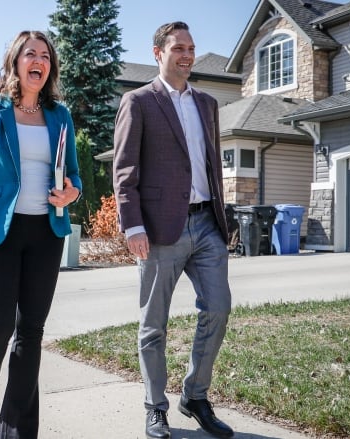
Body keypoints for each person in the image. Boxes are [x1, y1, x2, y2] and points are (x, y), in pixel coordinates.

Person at [0, 30, 82, 439]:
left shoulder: (59, 115)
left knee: (32, 331)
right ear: (15, 61)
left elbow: (75, 177)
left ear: (51, 67)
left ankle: (15, 431)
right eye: (31, 53)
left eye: (45, 56)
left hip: (47, 231)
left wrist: (70, 193)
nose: (39, 61)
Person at [112, 21, 235, 439]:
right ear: (158, 53)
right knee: (154, 324)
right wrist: (132, 225)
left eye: (191, 48)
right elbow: (124, 170)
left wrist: (224, 218)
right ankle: (155, 406)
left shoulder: (208, 104)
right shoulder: (139, 101)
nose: (186, 55)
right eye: (178, 48)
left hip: (206, 224)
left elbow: (211, 167)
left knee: (218, 308)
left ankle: (195, 396)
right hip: (160, 227)